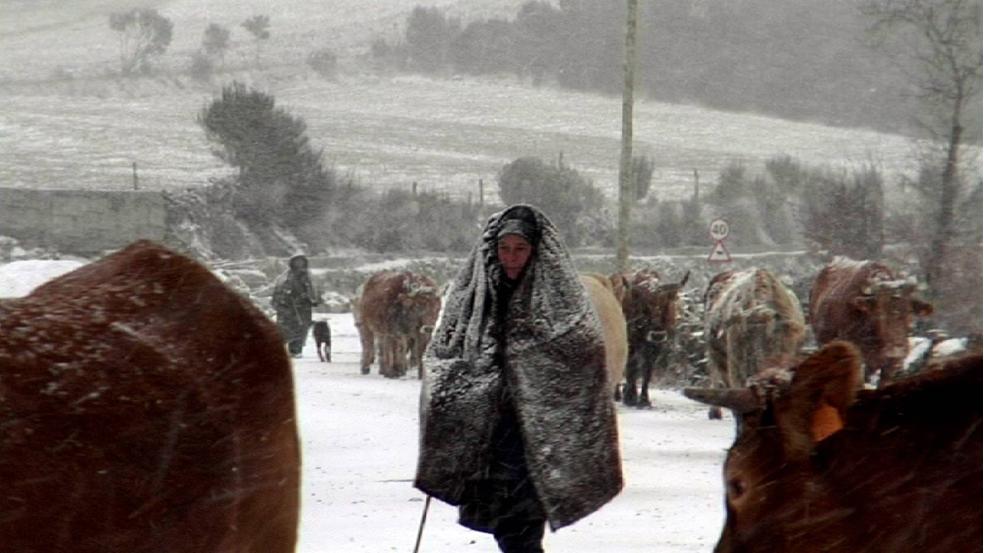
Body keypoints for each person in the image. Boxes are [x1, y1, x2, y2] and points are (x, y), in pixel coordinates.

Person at [415, 204, 623, 553]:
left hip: (538, 439)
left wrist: (536, 379)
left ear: (536, 250)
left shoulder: (562, 305)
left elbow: (584, 355)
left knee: (520, 529)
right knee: (506, 526)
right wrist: (458, 388)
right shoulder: (477, 299)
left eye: (521, 249)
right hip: (493, 436)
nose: (511, 258)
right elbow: (447, 352)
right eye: (505, 249)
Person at [272, 253, 319, 358]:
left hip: (303, 308)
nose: (299, 265)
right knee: (286, 329)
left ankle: (296, 350)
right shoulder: (285, 277)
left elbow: (314, 291)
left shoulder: (308, 277)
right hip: (287, 308)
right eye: (297, 262)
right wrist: (285, 298)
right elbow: (279, 291)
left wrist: (310, 298)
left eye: (301, 262)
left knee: (301, 329)